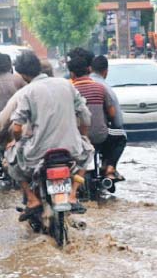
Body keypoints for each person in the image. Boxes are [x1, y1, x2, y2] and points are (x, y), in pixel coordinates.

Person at [8, 51, 93, 218]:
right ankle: (73, 194)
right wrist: (83, 137)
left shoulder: (27, 92)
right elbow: (85, 116)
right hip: (71, 149)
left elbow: (16, 128)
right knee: (89, 151)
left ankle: (32, 199)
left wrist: (18, 142)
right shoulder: (66, 84)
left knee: (10, 158)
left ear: (23, 74)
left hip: (38, 153)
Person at [68, 51, 124, 182]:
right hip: (100, 137)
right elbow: (112, 114)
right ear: (88, 69)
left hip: (76, 138)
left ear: (71, 74)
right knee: (121, 136)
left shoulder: (68, 89)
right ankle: (109, 167)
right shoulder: (101, 88)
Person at [91, 55, 128, 180]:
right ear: (106, 71)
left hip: (77, 134)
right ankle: (109, 167)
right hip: (100, 133)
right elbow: (116, 117)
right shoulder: (105, 88)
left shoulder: (73, 85)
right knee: (120, 135)